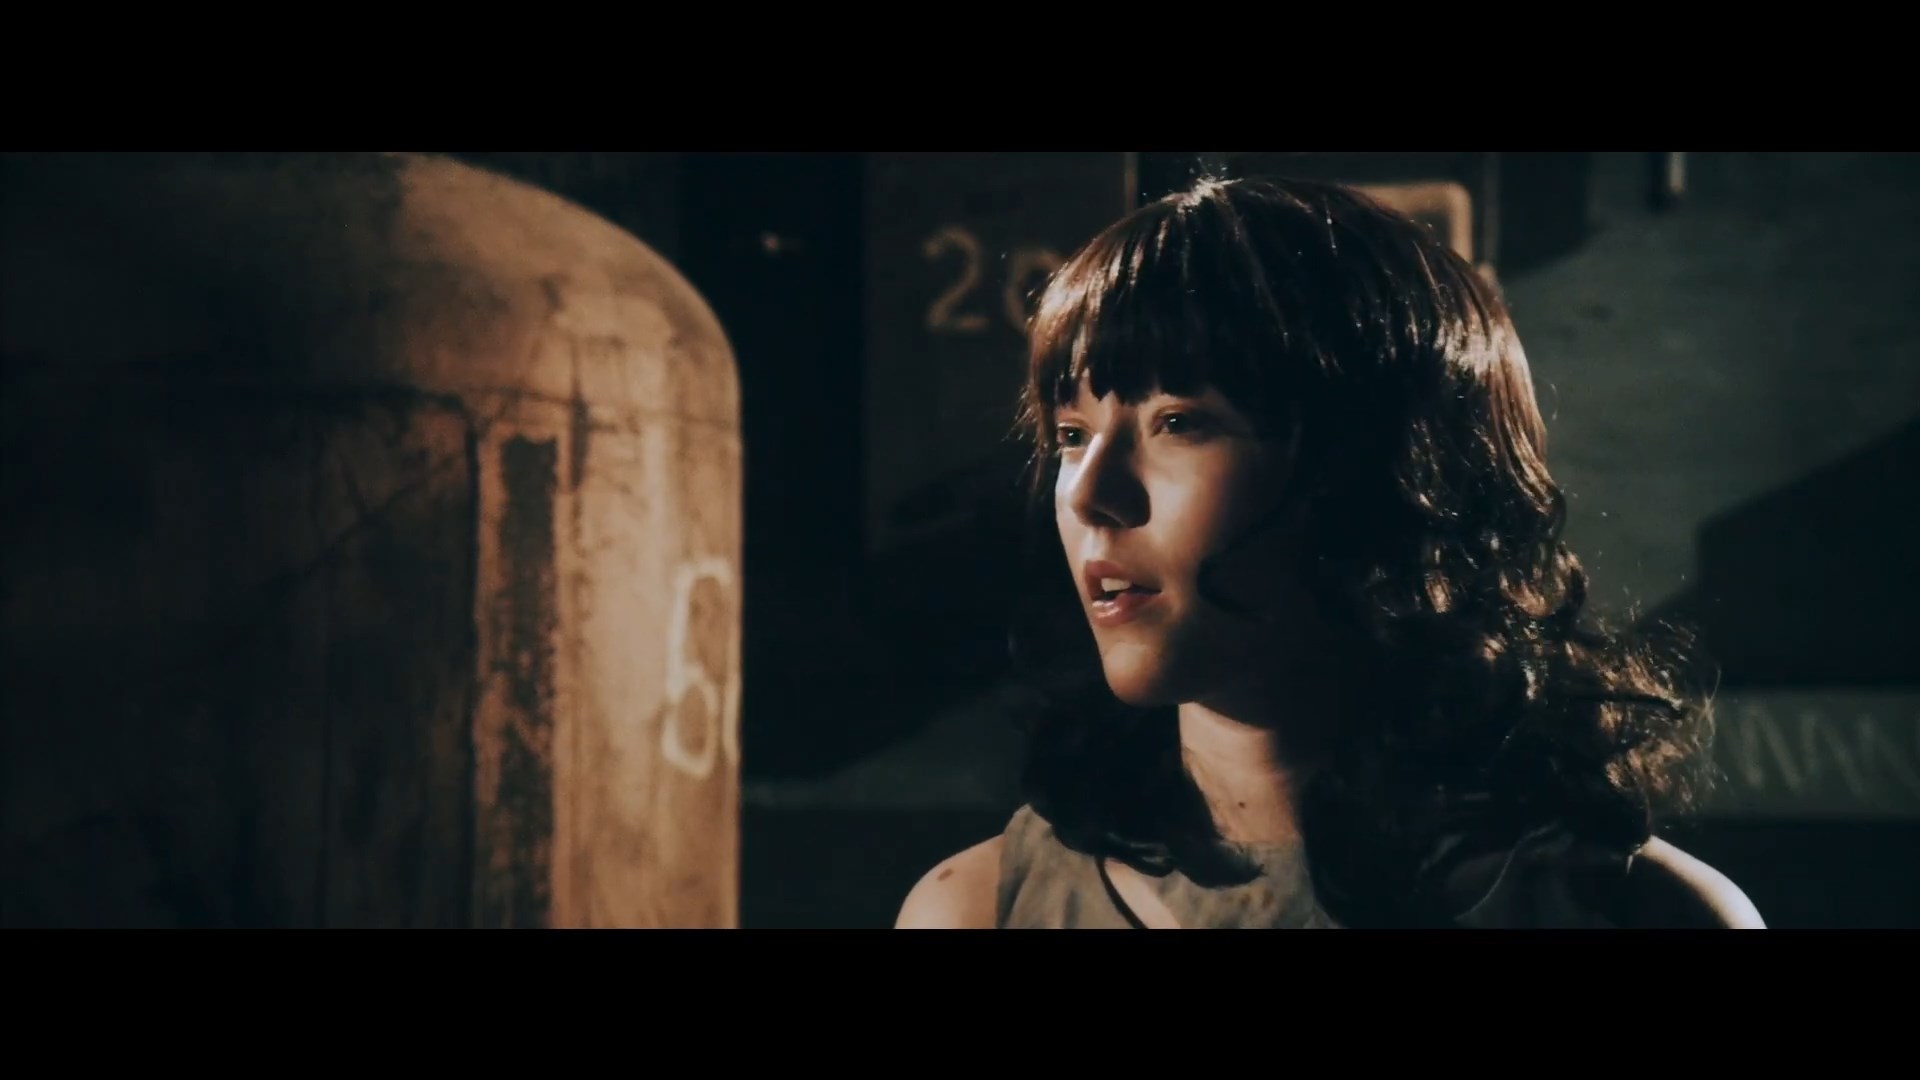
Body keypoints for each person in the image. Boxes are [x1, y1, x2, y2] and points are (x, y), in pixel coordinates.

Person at [894, 175, 1764, 929]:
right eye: (1071, 434)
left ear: (1383, 464)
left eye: (1179, 422)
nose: (1090, 494)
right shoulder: (976, 910)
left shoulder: (1640, 913)